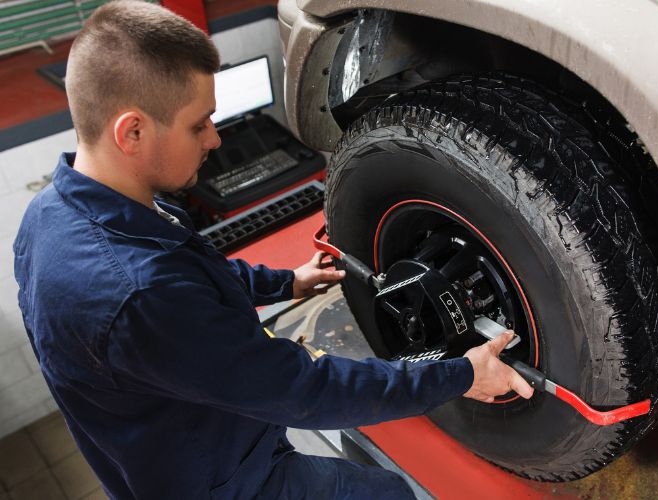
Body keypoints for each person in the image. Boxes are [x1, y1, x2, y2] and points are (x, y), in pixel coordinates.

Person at [13, 1, 533, 498]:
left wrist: (283, 282)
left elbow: (190, 274)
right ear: (132, 131)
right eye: (199, 124)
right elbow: (305, 390)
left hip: (164, 445)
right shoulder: (139, 296)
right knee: (391, 492)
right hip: (219, 482)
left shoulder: (52, 213)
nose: (215, 140)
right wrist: (459, 375)